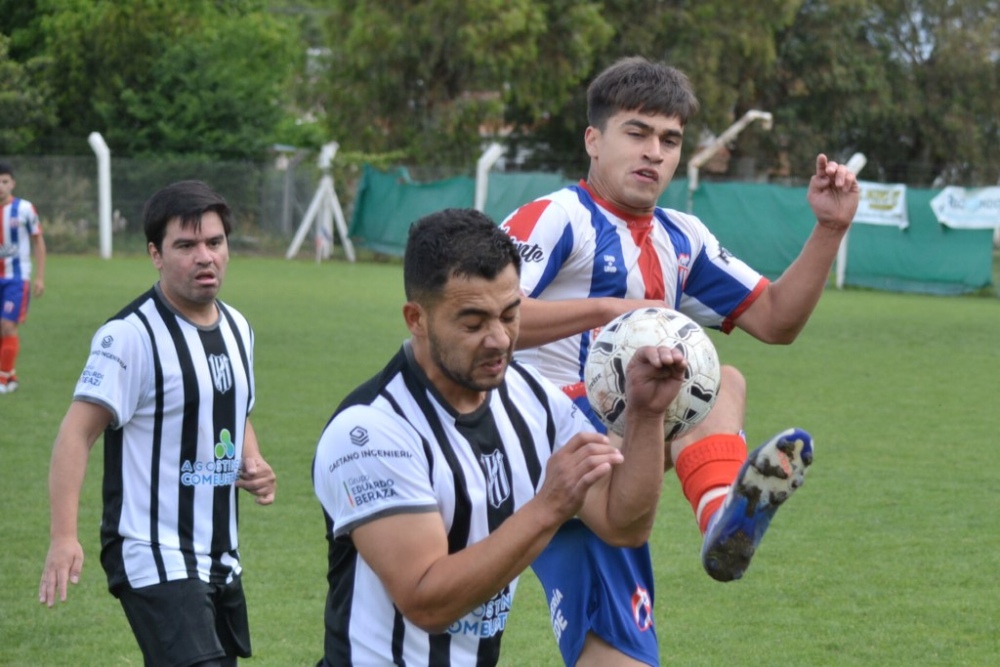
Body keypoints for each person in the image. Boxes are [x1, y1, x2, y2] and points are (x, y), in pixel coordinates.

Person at [500, 56, 860, 666]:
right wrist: (610, 308)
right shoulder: (556, 217)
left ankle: (724, 515)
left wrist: (827, 230)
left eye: (670, 140)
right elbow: (486, 315)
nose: (654, 153)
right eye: (636, 132)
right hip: (538, 436)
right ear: (594, 139)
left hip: (619, 445)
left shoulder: (681, 236)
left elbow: (775, 320)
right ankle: (715, 503)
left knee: (620, 656)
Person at [312, 208, 690, 667]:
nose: (499, 340)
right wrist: (549, 507)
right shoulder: (371, 434)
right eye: (473, 323)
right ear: (416, 318)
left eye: (510, 315)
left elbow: (622, 524)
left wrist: (645, 416)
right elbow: (427, 602)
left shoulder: (529, 396)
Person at [38, 180, 277, 667]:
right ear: (156, 254)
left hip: (219, 552)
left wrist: (253, 462)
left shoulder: (238, 328)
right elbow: (76, 433)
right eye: (185, 246)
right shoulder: (129, 336)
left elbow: (234, 410)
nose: (204, 257)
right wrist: (64, 536)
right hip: (151, 549)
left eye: (214, 242)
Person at [0, 161, 46, 394]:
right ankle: (11, 375)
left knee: (8, 325)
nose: (0, 186)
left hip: (16, 279)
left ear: (12, 183)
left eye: (4, 181)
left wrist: (39, 277)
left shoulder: (25, 209)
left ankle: (3, 379)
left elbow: (38, 242)